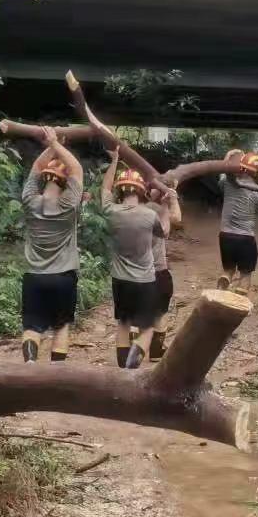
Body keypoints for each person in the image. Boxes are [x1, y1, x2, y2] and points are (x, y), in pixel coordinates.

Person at [18, 126, 84, 363]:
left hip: (34, 276)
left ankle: (29, 367)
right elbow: (77, 168)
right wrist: (57, 145)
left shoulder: (30, 202)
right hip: (63, 277)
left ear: (44, 179)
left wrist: (50, 145)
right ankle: (56, 375)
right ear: (66, 184)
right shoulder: (69, 206)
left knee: (32, 328)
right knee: (61, 327)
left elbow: (36, 168)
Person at [102, 146, 164, 369]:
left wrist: (115, 161)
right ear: (141, 192)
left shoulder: (110, 211)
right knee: (147, 328)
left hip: (120, 279)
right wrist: (167, 204)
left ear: (121, 191)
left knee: (124, 324)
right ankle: (132, 367)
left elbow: (105, 189)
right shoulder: (149, 215)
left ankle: (122, 371)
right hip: (145, 280)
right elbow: (164, 232)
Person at [217, 150, 258, 293]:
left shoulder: (229, 183)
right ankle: (241, 292)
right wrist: (257, 207)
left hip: (225, 235)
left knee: (229, 269)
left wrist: (229, 155)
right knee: (246, 274)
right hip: (246, 237)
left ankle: (226, 278)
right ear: (257, 172)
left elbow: (223, 170)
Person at [147, 181, 183, 360]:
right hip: (157, 270)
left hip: (133, 272)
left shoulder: (129, 208)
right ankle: (155, 350)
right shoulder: (155, 210)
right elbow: (175, 221)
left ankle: (130, 353)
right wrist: (172, 199)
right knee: (160, 312)